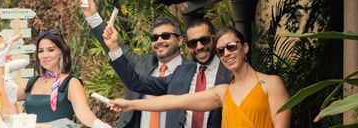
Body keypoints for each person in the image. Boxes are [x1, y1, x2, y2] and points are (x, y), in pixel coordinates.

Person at [107, 28, 291, 128]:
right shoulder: (223, 92)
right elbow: (175, 101)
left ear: (245, 48)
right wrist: (130, 104)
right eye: (221, 51)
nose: (226, 53)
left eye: (232, 47)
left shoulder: (271, 83)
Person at [104, 18, 232, 128]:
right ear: (188, 46)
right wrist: (114, 47)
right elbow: (137, 83)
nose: (199, 47)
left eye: (204, 40)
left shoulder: (231, 74)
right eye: (193, 43)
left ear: (214, 40)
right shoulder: (183, 72)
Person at [81, 0, 186, 128]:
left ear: (180, 40)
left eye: (165, 36)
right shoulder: (142, 64)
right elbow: (115, 47)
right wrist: (92, 16)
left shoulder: (191, 71)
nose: (159, 41)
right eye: (154, 37)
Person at [0, 29, 110, 127]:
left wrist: (99, 125)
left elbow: (83, 112)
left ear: (61, 52)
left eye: (51, 50)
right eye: (41, 51)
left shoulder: (70, 82)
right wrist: (0, 61)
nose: (45, 55)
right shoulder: (31, 83)